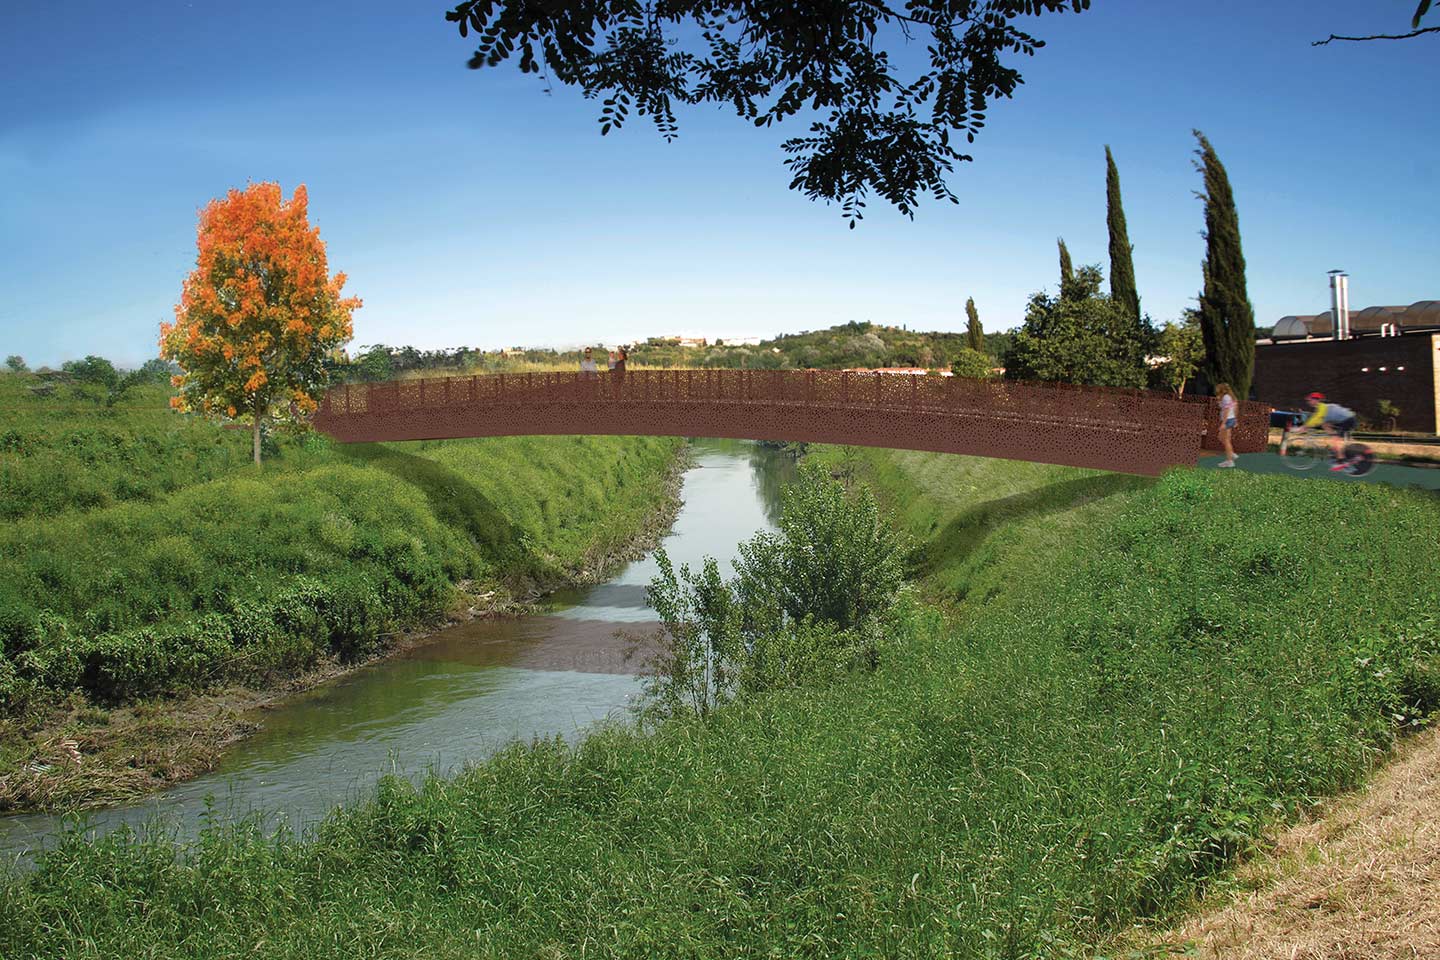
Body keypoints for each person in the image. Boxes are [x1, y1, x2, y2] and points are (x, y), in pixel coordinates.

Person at [1296, 392, 1359, 471]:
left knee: (1335, 440)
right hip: (1345, 420)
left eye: (1310, 400)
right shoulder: (1321, 408)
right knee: (1324, 424)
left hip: (1348, 420)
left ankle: (1341, 460)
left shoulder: (1322, 407)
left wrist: (1305, 426)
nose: (1308, 402)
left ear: (1316, 400)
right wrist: (1307, 426)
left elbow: (1316, 418)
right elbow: (1317, 419)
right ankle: (1333, 438)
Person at [1214, 382, 1239, 468]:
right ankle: (1231, 453)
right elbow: (1235, 408)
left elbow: (1226, 410)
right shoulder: (1231, 397)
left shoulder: (1226, 397)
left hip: (1227, 420)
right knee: (1222, 437)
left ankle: (1230, 461)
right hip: (1231, 419)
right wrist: (1235, 419)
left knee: (1226, 440)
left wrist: (1223, 423)